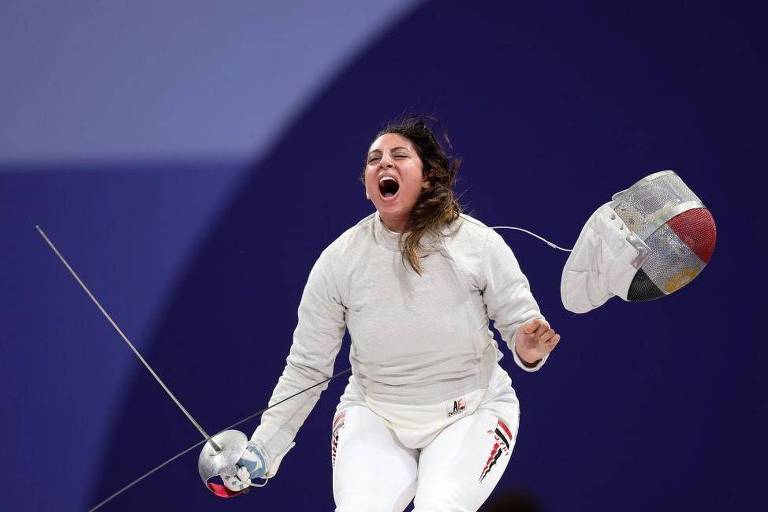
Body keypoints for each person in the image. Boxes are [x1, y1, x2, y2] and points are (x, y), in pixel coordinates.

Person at [219, 118, 561, 511]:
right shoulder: (339, 262)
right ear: (367, 187)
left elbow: (521, 325)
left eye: (399, 156)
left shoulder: (477, 244)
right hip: (375, 415)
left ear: (428, 176)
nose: (384, 165)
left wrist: (529, 346)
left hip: (471, 411)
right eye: (374, 160)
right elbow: (307, 368)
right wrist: (265, 446)